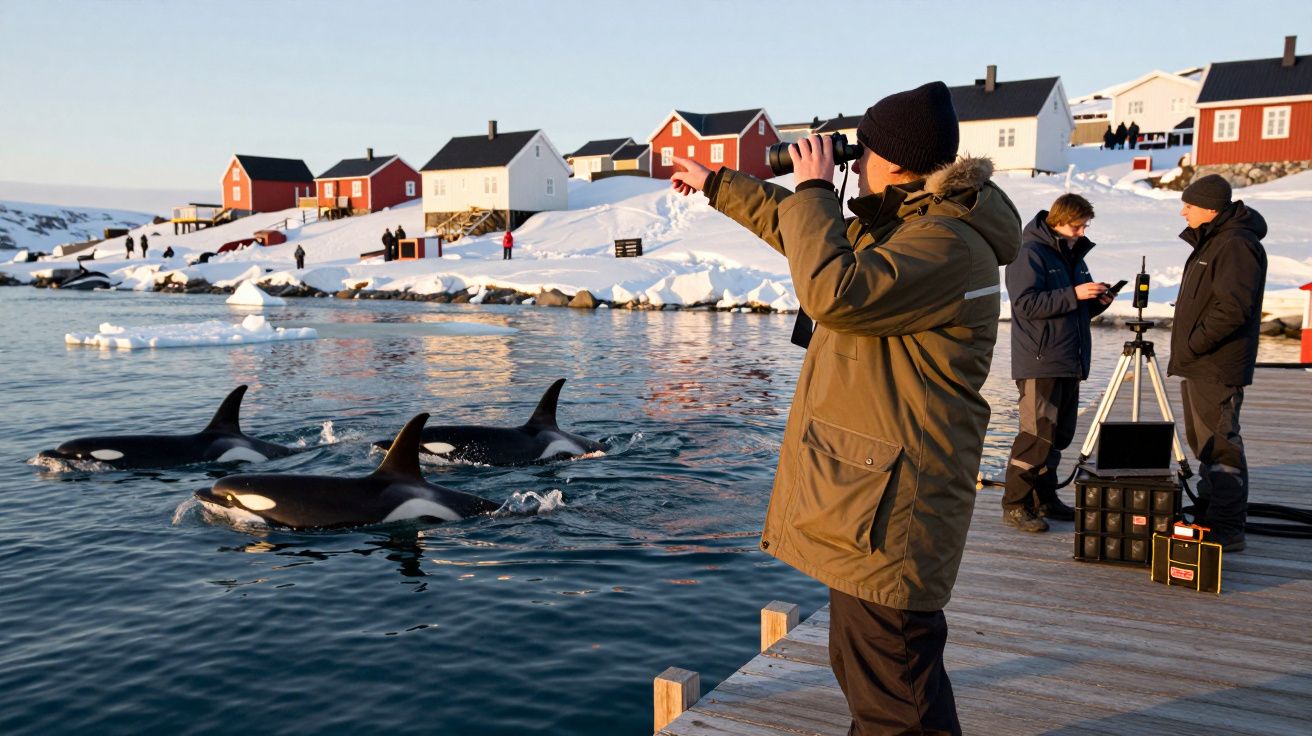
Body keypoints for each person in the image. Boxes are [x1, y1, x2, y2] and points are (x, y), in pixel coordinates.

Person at [671, 81, 1020, 735]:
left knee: (897, 695)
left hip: (893, 510)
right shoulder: (914, 227)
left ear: (897, 162)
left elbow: (834, 289)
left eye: (863, 153)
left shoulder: (943, 244)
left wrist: (812, 187)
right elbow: (802, 233)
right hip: (872, 499)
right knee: (872, 674)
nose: (854, 163)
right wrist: (719, 183)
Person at [1002, 194, 1115, 533]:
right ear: (1059, 221)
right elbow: (1025, 305)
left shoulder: (1073, 257)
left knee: (1058, 436)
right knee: (1036, 436)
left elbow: (1071, 308)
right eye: (1078, 226)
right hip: (1040, 361)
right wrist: (1075, 295)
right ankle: (1015, 504)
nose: (1082, 232)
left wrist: (1097, 302)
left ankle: (1044, 499)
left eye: (1085, 227)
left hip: (1069, 359)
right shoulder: (1029, 253)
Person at [1168, 174, 1267, 553]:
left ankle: (1227, 527)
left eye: (1188, 206)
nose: (1183, 212)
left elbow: (1233, 308)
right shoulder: (1214, 240)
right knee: (1205, 443)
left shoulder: (1235, 244)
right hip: (1200, 363)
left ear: (1210, 208)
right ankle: (1211, 515)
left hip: (1215, 364)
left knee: (1221, 444)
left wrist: (1194, 342)